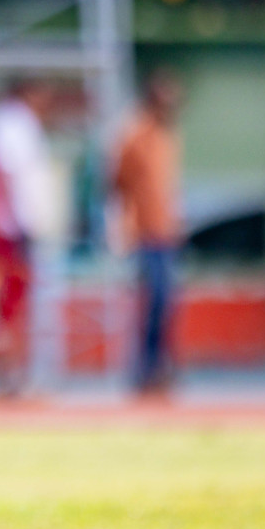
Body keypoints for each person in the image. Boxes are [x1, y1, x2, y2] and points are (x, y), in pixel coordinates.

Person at [0, 77, 57, 397]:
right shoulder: (12, 122)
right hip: (10, 228)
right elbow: (7, 175)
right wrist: (19, 221)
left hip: (14, 225)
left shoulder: (13, 123)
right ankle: (8, 374)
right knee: (10, 303)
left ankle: (11, 373)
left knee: (14, 303)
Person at [112, 69, 184, 396]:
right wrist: (128, 220)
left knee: (166, 302)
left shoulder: (167, 137)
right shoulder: (136, 134)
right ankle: (145, 367)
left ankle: (160, 366)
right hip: (144, 232)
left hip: (165, 231)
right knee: (153, 301)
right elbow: (117, 181)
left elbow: (167, 188)